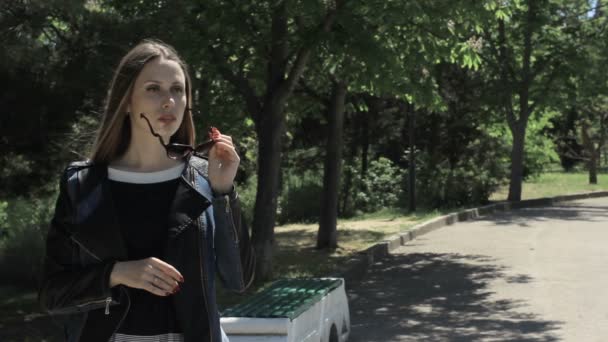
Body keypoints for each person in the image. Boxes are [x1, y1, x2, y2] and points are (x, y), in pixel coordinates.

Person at [37, 39, 255, 342]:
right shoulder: (82, 186)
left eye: (177, 90)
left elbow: (239, 280)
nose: (169, 101)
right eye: (153, 89)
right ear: (126, 102)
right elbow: (53, 294)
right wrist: (117, 273)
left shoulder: (204, 178)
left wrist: (223, 192)